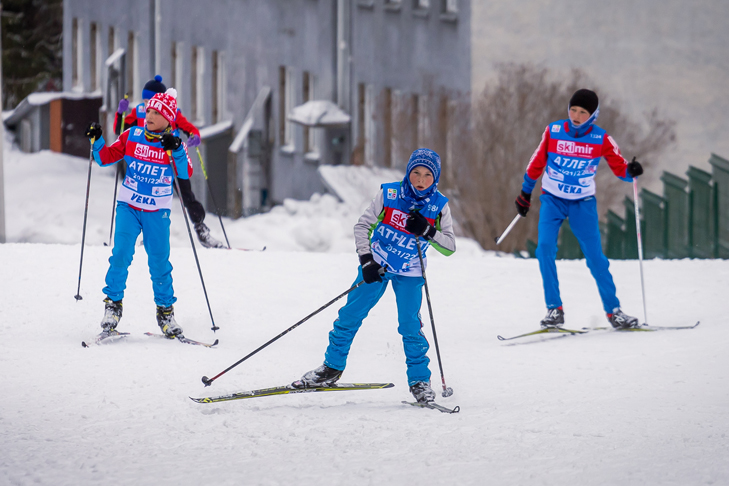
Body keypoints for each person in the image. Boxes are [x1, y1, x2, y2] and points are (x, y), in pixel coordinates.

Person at [294, 148, 456, 403]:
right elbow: (362, 225)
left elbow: (449, 247)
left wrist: (427, 230)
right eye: (416, 173)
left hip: (411, 272)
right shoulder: (390, 193)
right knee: (349, 315)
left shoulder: (439, 206)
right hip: (377, 265)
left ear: (434, 178)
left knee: (410, 326)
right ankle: (331, 367)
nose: (421, 180)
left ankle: (420, 381)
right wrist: (366, 260)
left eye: (427, 175)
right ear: (408, 172)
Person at [514, 88, 644, 329]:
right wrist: (525, 192)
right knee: (544, 249)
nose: (576, 115)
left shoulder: (600, 138)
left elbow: (620, 167)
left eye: (583, 112)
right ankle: (554, 309)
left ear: (593, 115)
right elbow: (537, 162)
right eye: (573, 109)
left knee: (595, 258)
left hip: (582, 204)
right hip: (552, 200)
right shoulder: (553, 131)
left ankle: (614, 312)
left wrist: (631, 171)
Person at [85, 89, 194, 337]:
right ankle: (112, 306)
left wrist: (176, 148)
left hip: (157, 211)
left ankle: (166, 313)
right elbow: (104, 158)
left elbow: (185, 173)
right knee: (121, 253)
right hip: (129, 205)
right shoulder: (132, 135)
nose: (150, 115)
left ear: (168, 118)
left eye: (157, 112)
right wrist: (97, 139)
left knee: (159, 262)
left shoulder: (174, 141)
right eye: (149, 110)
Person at [114, 75, 225, 249]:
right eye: (144, 100)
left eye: (150, 100)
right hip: (149, 162)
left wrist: (194, 135)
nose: (147, 105)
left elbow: (188, 127)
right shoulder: (139, 111)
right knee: (144, 197)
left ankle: (201, 229)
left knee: (187, 195)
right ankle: (144, 234)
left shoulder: (172, 112)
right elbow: (121, 130)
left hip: (171, 162)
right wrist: (120, 114)